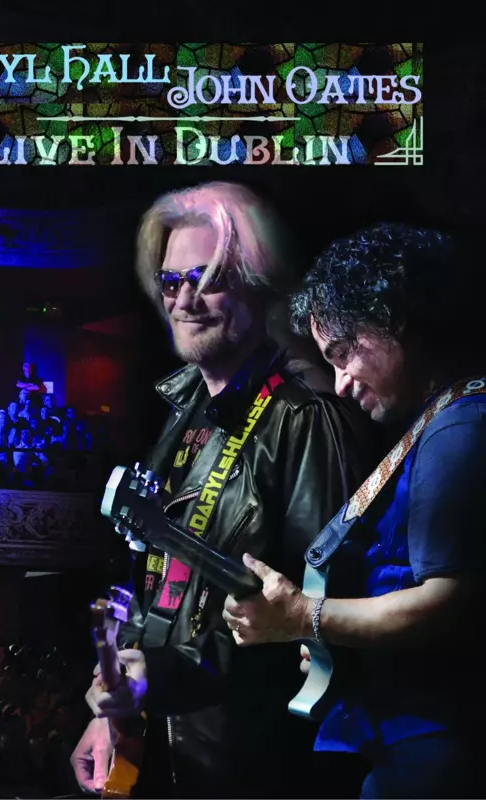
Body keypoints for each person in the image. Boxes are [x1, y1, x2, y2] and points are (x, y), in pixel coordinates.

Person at [71, 182, 380, 799]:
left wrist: (165, 677)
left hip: (258, 766)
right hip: (168, 755)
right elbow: (154, 583)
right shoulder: (180, 410)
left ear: (258, 285)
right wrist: (114, 711)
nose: (184, 300)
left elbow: (314, 621)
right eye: (170, 281)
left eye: (207, 278)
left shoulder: (305, 419)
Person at [222, 223, 485, 798]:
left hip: (435, 754)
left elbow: (450, 605)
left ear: (393, 320)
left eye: (343, 353)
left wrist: (303, 617)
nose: (339, 383)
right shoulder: (439, 422)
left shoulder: (458, 427)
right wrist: (335, 636)